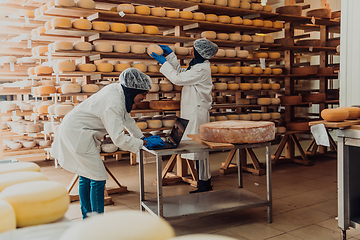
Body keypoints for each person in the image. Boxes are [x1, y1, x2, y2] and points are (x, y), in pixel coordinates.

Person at [51, 68, 162, 219]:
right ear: (132, 90)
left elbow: (127, 119)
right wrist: (142, 142)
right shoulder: (114, 102)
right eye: (143, 93)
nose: (144, 97)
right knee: (97, 177)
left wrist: (141, 136)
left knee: (86, 175)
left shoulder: (118, 91)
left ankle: (88, 219)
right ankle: (97, 222)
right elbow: (119, 139)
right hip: (78, 134)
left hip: (76, 130)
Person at [150, 38, 218, 193]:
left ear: (201, 52)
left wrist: (163, 62)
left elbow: (177, 79)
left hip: (197, 112)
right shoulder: (197, 66)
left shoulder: (202, 69)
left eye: (194, 49)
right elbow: (181, 73)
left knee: (199, 149)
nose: (191, 51)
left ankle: (204, 184)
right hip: (191, 110)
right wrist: (171, 57)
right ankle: (204, 182)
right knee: (198, 150)